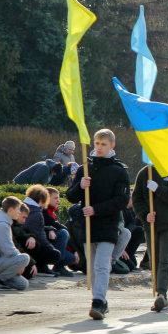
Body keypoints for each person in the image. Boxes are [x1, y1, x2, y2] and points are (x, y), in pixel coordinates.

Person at [66, 129, 131, 320]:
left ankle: (99, 302)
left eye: (104, 144)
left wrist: (96, 209)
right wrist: (80, 186)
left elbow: (122, 200)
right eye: (97, 143)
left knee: (102, 264)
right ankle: (99, 298)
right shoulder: (84, 169)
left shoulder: (119, 171)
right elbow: (70, 196)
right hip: (88, 225)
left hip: (109, 224)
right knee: (92, 267)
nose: (99, 147)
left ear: (112, 146)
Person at [132, 160, 168, 312]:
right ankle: (160, 294)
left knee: (165, 259)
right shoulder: (145, 173)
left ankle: (162, 293)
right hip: (151, 225)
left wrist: (159, 189)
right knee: (154, 260)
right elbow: (137, 198)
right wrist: (144, 215)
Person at [22, 185, 64, 277]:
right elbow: (40, 235)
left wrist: (49, 229)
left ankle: (40, 266)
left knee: (49, 234)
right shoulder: (36, 212)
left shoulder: (25, 206)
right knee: (54, 254)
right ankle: (41, 266)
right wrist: (51, 250)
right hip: (27, 244)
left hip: (23, 240)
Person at [41, 187, 77, 276]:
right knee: (63, 232)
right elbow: (55, 224)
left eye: (59, 198)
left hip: (53, 244)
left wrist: (75, 250)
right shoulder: (43, 212)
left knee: (71, 258)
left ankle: (59, 264)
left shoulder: (52, 212)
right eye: (55, 198)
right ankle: (59, 265)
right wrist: (51, 229)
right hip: (44, 246)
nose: (58, 201)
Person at [10, 203, 38, 282]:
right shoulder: (8, 225)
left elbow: (23, 235)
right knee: (29, 273)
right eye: (23, 217)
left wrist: (31, 237)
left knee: (35, 244)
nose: (24, 220)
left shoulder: (16, 224)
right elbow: (15, 246)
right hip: (9, 256)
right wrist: (31, 263)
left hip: (16, 254)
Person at [122, 199, 144, 270]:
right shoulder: (119, 209)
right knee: (130, 266)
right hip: (117, 239)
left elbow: (133, 223)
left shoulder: (130, 210)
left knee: (140, 230)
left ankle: (128, 256)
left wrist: (128, 231)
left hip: (126, 238)